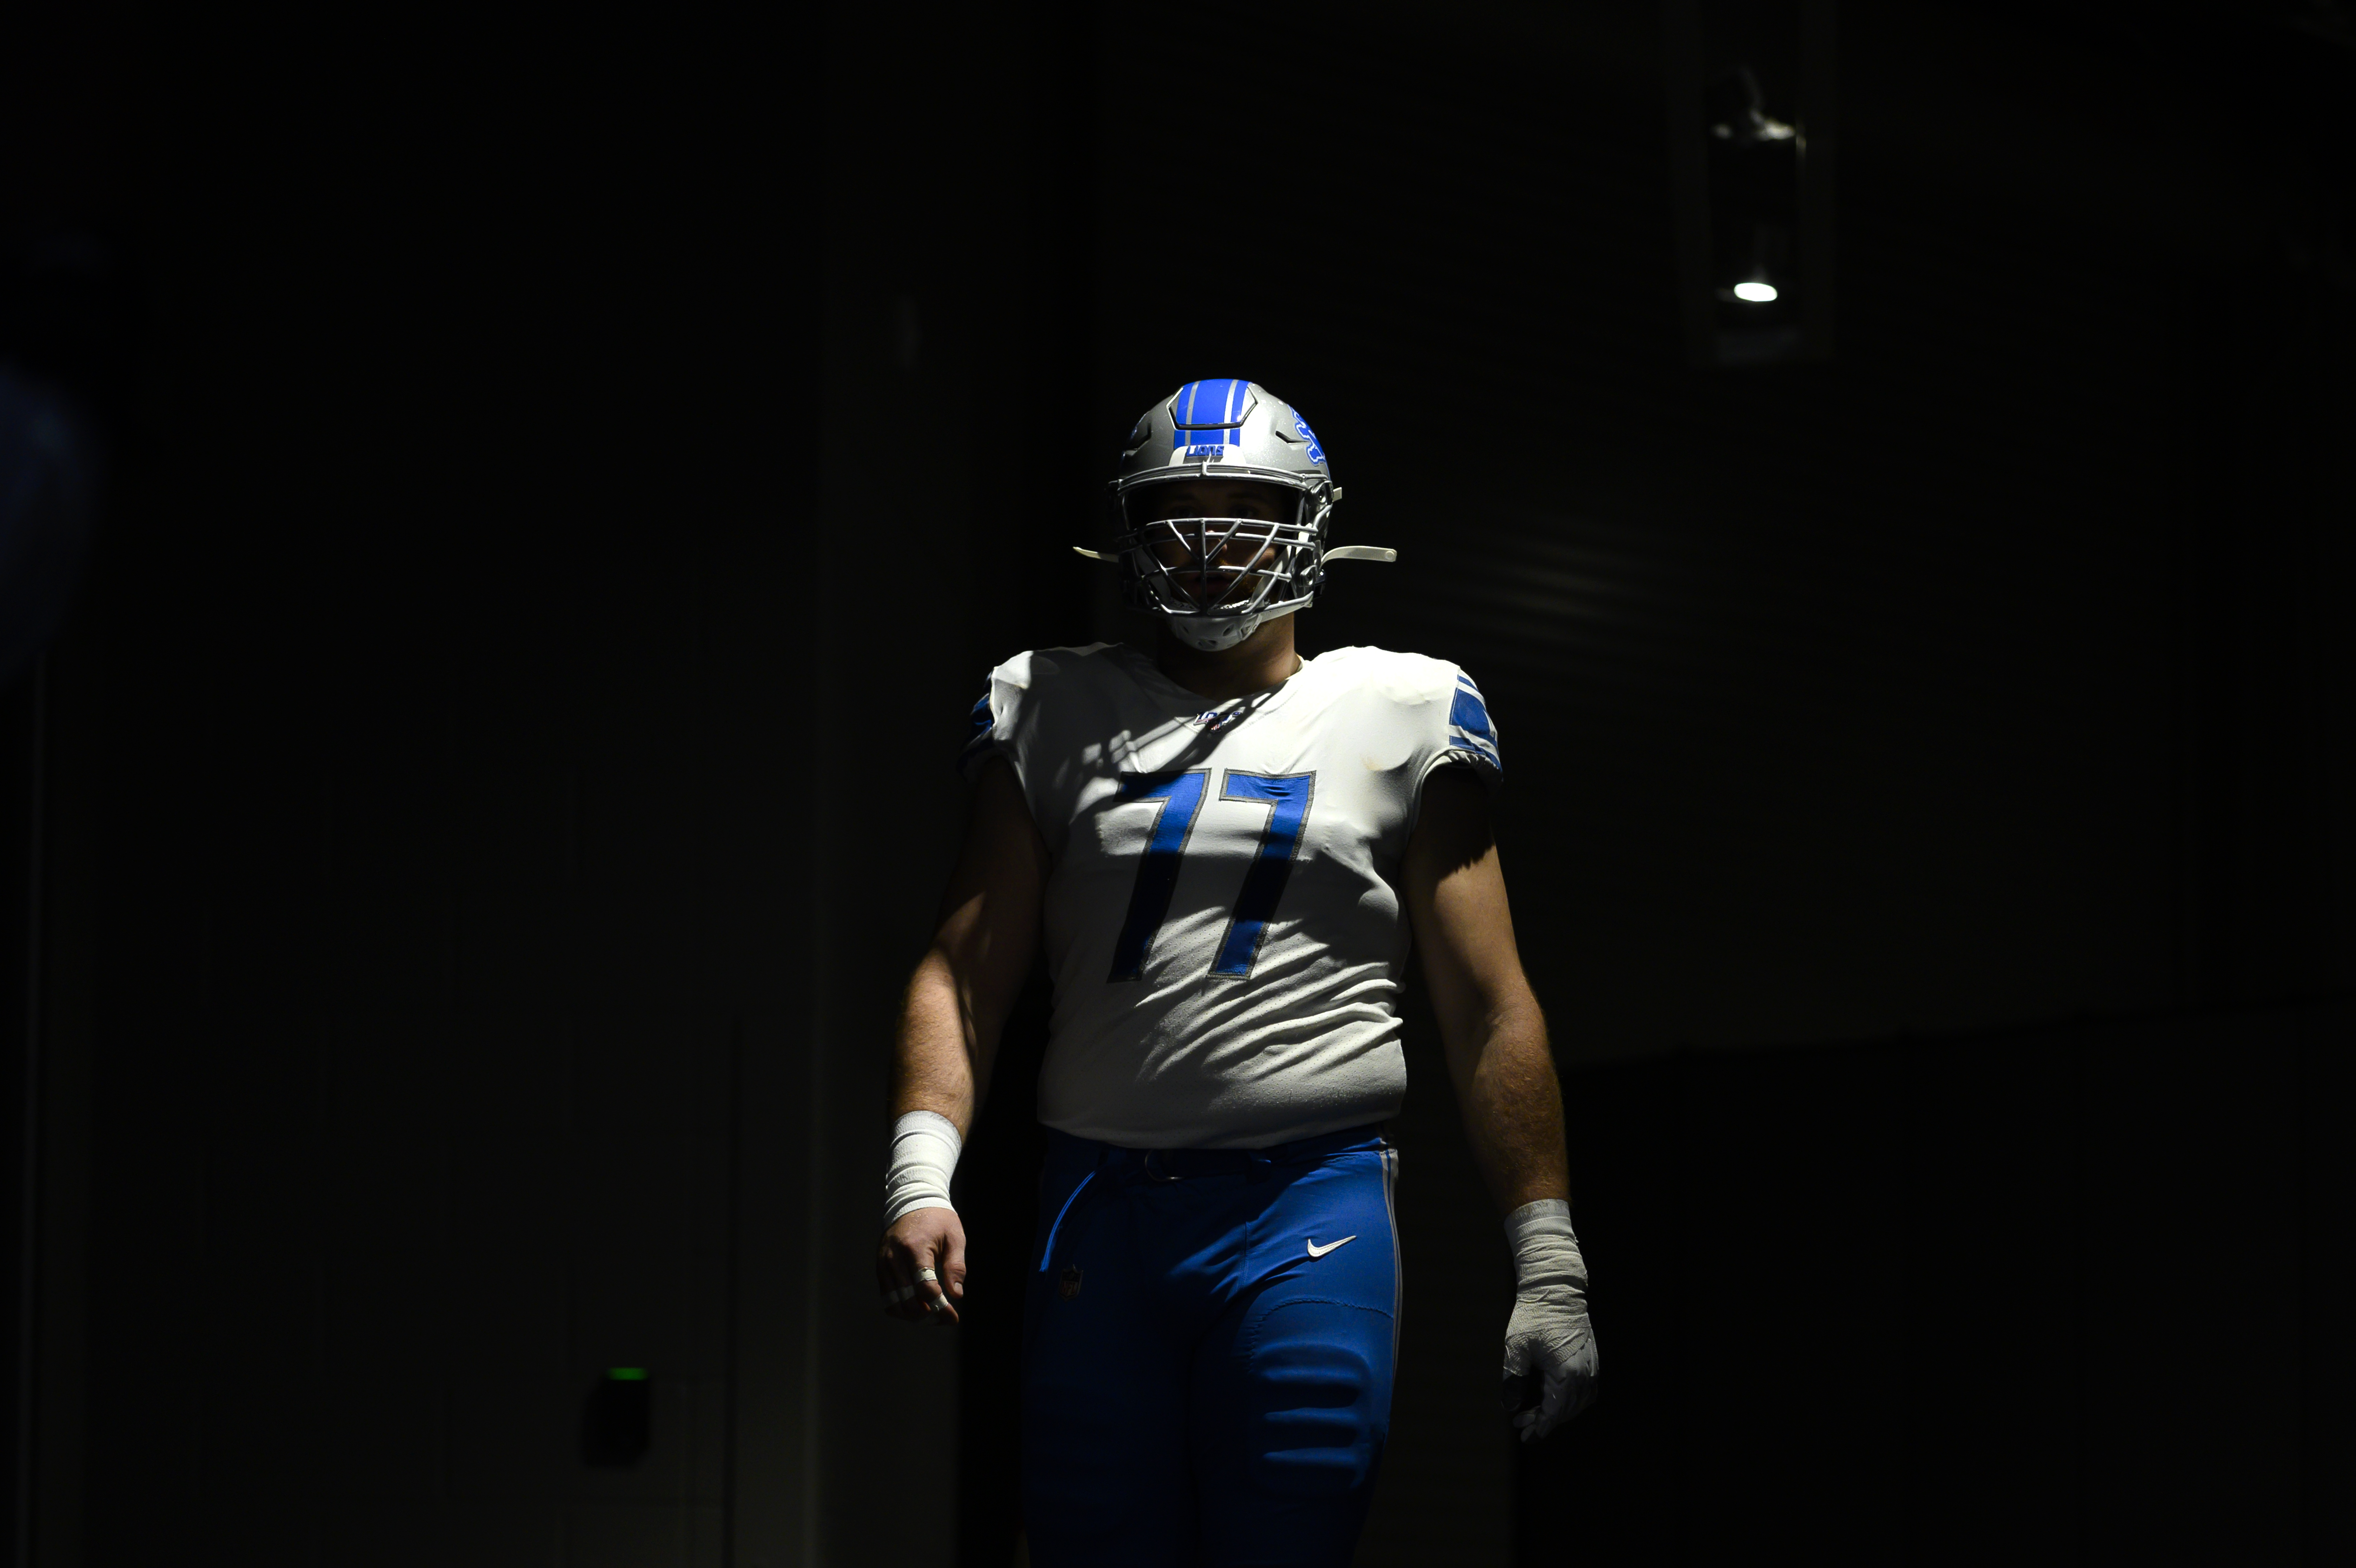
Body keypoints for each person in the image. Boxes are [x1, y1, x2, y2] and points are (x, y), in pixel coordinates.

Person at [874, 378, 1597, 1567]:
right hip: (1095, 1206)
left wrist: (1549, 1257)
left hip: (1307, 1207)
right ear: (1127, 529)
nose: (1210, 547)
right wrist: (919, 1176)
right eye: (1177, 512)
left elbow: (1485, 1002)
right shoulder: (1047, 701)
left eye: (1245, 508)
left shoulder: (1407, 705)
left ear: (1312, 522)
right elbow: (964, 969)